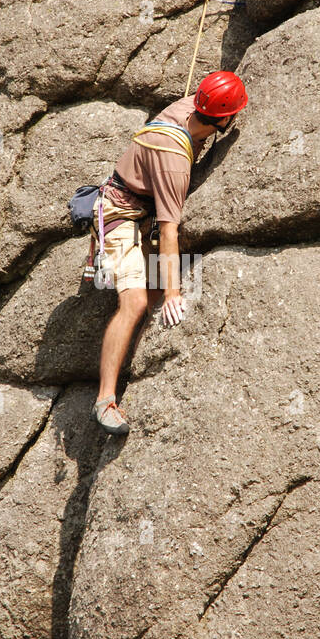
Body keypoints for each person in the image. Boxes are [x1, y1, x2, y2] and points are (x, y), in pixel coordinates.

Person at [91, 70, 248, 435]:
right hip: (116, 216)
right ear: (224, 119)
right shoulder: (174, 160)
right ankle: (104, 401)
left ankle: (136, 366)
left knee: (154, 296)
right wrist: (176, 291)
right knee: (136, 303)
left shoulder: (188, 106)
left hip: (137, 207)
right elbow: (168, 228)